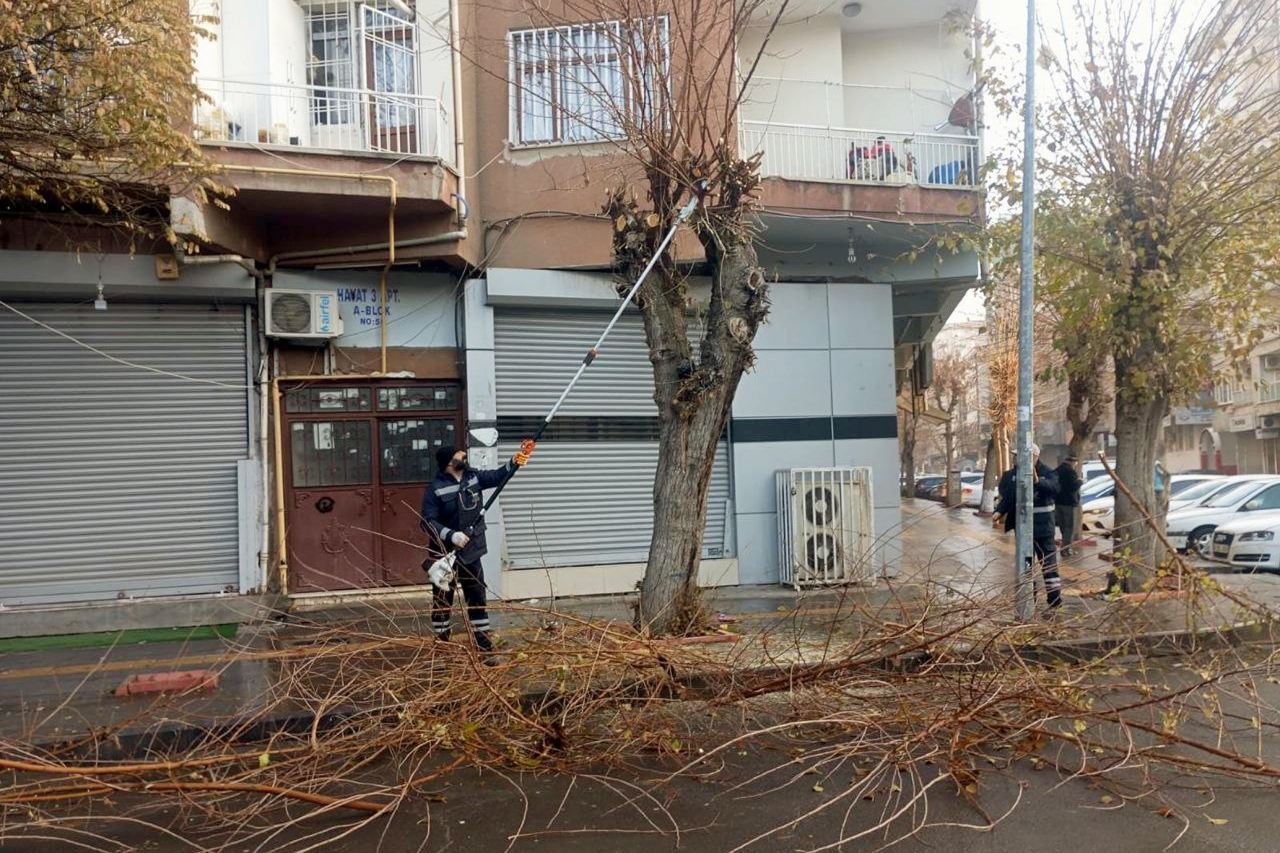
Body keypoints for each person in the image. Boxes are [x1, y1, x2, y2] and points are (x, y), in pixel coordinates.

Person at [421, 443, 533, 651]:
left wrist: (515, 461)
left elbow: (498, 476)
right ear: (449, 462)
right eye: (460, 455)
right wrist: (451, 535)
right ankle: (442, 643)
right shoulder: (435, 489)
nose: (465, 456)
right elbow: (427, 522)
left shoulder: (473, 478)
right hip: (445, 555)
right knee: (442, 601)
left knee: (477, 597)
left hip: (471, 554)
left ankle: (483, 643)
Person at [992, 443, 1062, 612]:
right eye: (1015, 456)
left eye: (1019, 455)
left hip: (1044, 529)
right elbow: (1009, 497)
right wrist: (999, 511)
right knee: (1026, 565)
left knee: (1049, 565)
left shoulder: (1047, 472)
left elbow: (1054, 488)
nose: (1015, 459)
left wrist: (1037, 482)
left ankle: (1055, 599)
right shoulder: (1011, 475)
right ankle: (1030, 597)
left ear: (1034, 457)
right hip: (1023, 529)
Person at [1054, 454, 1083, 557]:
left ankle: (1065, 547)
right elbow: (1073, 487)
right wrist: (1080, 482)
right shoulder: (1071, 472)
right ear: (1073, 462)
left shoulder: (1057, 470)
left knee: (1063, 526)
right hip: (1068, 503)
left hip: (1058, 503)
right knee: (1069, 527)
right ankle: (1066, 549)